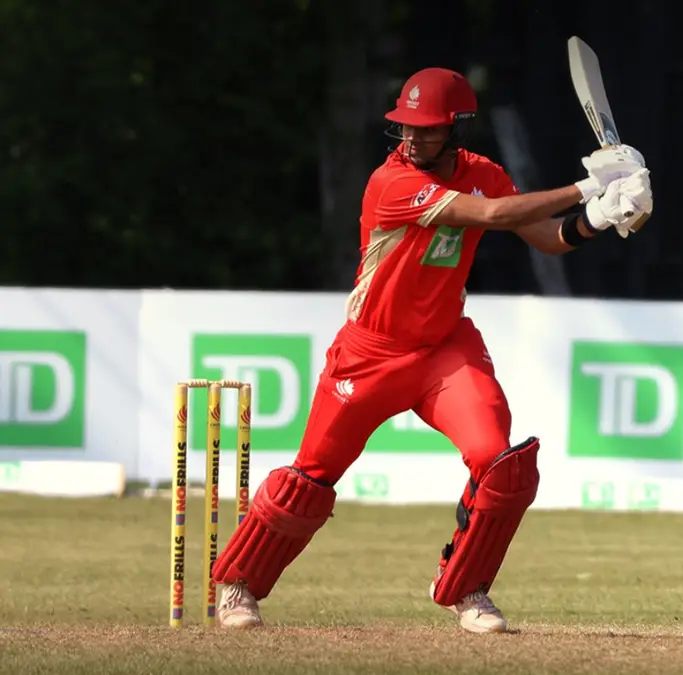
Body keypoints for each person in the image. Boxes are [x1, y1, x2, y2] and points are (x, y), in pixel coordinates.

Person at [211, 67, 653, 634]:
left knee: (500, 463)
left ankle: (468, 591)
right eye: (404, 128)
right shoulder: (390, 183)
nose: (412, 140)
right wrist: (589, 186)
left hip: (445, 348)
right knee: (311, 479)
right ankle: (237, 585)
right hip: (371, 353)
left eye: (427, 130)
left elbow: (543, 235)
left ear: (458, 129)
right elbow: (492, 216)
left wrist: (600, 215)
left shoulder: (483, 173)